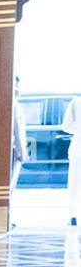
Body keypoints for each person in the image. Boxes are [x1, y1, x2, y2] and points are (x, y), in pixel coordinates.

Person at [62, 94, 81, 226]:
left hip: (78, 146)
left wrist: (78, 129)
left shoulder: (76, 102)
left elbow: (66, 126)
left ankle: (73, 215)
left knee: (75, 182)